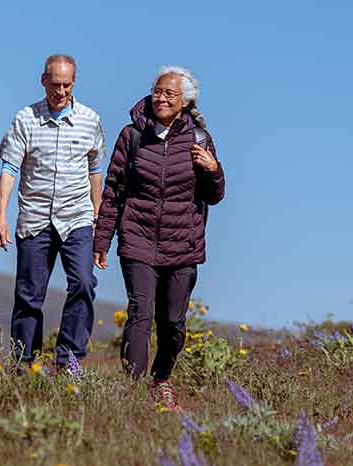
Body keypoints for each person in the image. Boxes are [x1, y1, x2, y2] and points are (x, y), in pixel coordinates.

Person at [93, 66, 225, 410]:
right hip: (137, 237)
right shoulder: (131, 135)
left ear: (185, 101)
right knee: (140, 311)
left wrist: (213, 169)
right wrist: (102, 239)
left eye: (169, 93)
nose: (161, 97)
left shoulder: (199, 139)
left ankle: (161, 377)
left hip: (183, 244)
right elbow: (113, 190)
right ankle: (135, 390)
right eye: (157, 91)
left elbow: (213, 196)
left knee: (173, 322)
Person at [0, 54, 106, 370]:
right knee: (29, 295)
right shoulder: (25, 119)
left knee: (83, 283)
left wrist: (99, 218)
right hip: (36, 217)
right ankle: (23, 363)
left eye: (66, 85)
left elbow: (95, 170)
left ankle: (69, 362)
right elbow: (9, 168)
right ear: (44, 81)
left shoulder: (90, 120)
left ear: (74, 83)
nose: (60, 92)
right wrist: (0, 215)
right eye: (55, 84)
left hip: (77, 217)